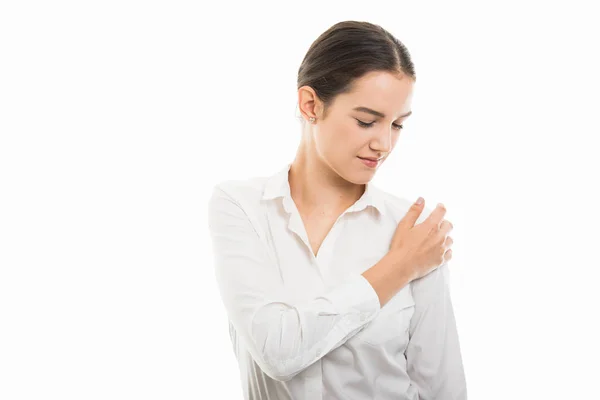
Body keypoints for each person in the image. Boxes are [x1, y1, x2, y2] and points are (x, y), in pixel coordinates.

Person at [207, 20, 467, 400]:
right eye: (366, 121)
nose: (384, 143)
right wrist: (399, 267)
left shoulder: (414, 232)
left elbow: (441, 387)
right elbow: (276, 351)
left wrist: (412, 258)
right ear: (310, 104)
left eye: (397, 125)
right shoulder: (241, 208)